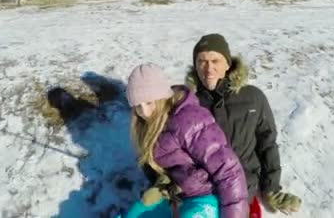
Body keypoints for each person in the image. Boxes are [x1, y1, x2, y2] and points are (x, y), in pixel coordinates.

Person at [185, 34, 302, 215]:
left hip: (243, 188)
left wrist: (271, 189)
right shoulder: (188, 103)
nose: (209, 68)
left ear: (228, 64)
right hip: (204, 193)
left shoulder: (253, 98)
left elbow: (267, 143)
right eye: (202, 61)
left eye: (215, 60)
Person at [122, 63, 249, 218]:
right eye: (138, 106)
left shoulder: (188, 120)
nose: (145, 112)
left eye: (149, 102)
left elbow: (229, 171)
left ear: (162, 97)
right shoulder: (144, 126)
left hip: (207, 197)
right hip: (177, 195)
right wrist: (161, 186)